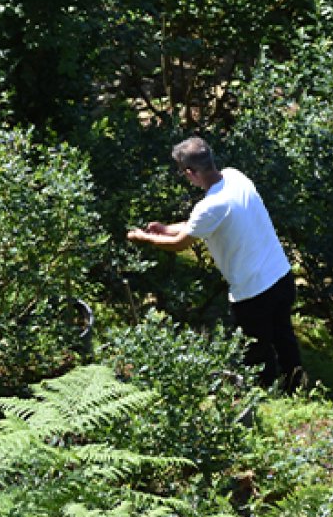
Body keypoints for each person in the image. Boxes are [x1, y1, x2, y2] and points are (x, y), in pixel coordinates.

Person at [126, 136, 303, 390]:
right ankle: (295, 389)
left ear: (190, 172)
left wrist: (144, 237)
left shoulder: (210, 206)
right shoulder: (235, 177)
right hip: (281, 276)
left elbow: (180, 244)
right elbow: (196, 226)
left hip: (253, 291)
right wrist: (164, 229)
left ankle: (265, 397)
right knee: (284, 339)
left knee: (256, 352)